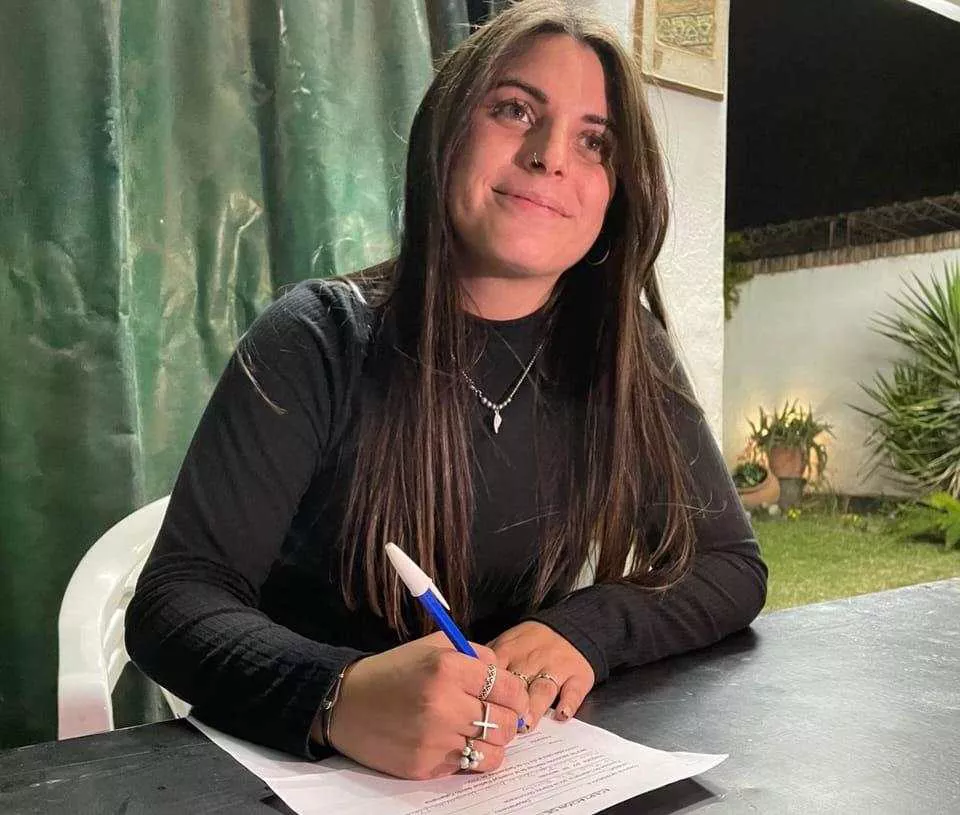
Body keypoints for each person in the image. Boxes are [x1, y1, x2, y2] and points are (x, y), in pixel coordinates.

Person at [125, 0, 767, 782]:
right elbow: (174, 601)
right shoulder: (319, 337)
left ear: (617, 192)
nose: (549, 156)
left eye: (594, 140)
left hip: (509, 770)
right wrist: (336, 694)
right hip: (305, 777)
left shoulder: (623, 349)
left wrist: (586, 627)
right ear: (447, 130)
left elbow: (728, 563)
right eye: (515, 110)